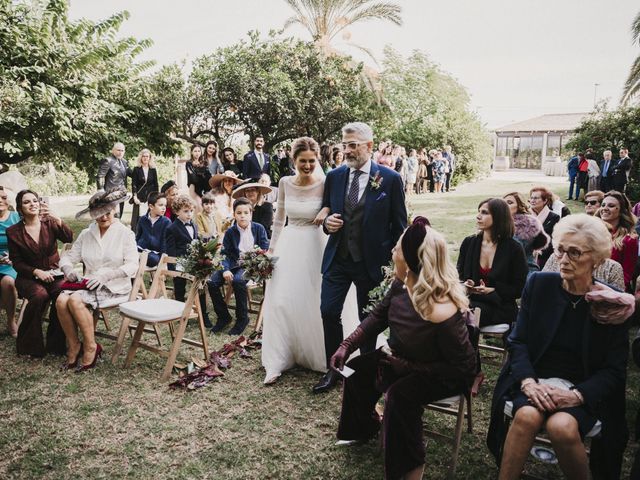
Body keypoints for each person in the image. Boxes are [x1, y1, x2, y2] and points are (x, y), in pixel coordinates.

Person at [487, 214, 631, 480]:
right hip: (535, 377)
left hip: (582, 386)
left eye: (575, 253)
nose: (563, 260)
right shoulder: (540, 284)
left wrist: (576, 395)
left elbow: (614, 369)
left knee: (562, 426)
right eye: (560, 250)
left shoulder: (611, 303)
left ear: (596, 258)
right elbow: (518, 341)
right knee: (526, 416)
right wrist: (529, 382)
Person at [331, 219, 476, 480]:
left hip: (440, 375)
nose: (392, 253)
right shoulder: (402, 284)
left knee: (399, 397)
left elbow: (463, 369)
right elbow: (377, 318)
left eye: (396, 249)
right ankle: (365, 427)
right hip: (401, 359)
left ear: (409, 260)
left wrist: (409, 368)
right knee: (356, 370)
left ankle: (409, 468)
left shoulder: (443, 309)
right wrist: (346, 345)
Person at [315, 121, 407, 393]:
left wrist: (393, 264)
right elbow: (325, 211)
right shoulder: (334, 176)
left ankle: (365, 373)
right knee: (328, 312)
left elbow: (400, 226)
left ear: (369, 146)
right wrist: (326, 223)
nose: (347, 151)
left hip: (372, 263)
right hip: (338, 259)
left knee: (369, 320)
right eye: (344, 145)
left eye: (353, 145)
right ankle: (333, 370)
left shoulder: (390, 179)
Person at [261, 137, 361, 385]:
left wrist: (325, 211)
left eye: (311, 161)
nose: (307, 166)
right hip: (289, 244)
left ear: (318, 160)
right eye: (302, 161)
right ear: (293, 160)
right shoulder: (284, 182)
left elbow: (333, 207)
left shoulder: (327, 182)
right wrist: (270, 253)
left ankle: (324, 356)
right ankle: (279, 359)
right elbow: (278, 219)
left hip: (317, 245)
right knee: (283, 300)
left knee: (316, 299)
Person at [57, 188, 138, 371]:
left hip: (115, 287)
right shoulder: (87, 234)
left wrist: (107, 275)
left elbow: (133, 265)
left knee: (75, 300)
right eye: (98, 215)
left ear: (115, 210)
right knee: (61, 300)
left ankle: (91, 346)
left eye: (107, 213)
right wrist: (68, 269)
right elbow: (68, 257)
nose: (103, 218)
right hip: (89, 284)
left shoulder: (125, 233)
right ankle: (75, 345)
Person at [7, 190, 73, 357]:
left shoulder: (49, 223)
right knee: (39, 295)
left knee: (61, 295)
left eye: (35, 200)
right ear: (20, 209)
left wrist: (58, 219)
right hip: (28, 277)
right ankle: (29, 346)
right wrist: (36, 272)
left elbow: (68, 238)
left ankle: (56, 345)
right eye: (27, 202)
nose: (33, 204)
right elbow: (17, 262)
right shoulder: (13, 232)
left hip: (54, 273)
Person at [457, 198, 528, 327]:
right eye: (479, 212)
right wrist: (467, 284)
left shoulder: (514, 248)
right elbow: (459, 276)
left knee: (460, 313)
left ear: (498, 216)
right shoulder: (469, 243)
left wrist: (493, 290)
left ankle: (466, 346)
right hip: (470, 301)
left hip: (499, 305)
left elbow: (519, 287)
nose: (478, 216)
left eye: (484, 213)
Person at [208, 197, 270, 335]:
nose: (242, 216)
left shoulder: (259, 229)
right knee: (211, 282)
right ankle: (224, 317)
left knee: (238, 280)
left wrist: (257, 261)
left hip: (251, 264)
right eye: (239, 213)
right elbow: (225, 253)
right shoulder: (230, 232)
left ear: (251, 214)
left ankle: (242, 318)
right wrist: (225, 269)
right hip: (232, 263)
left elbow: (265, 250)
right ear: (234, 214)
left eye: (246, 212)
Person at [164, 194, 212, 328]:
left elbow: (196, 243)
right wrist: (173, 269)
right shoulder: (171, 228)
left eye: (191, 211)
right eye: (185, 211)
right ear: (176, 211)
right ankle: (180, 314)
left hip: (194, 261)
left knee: (201, 285)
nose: (189, 214)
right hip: (180, 262)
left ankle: (203, 314)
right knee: (179, 289)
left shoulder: (194, 226)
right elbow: (171, 250)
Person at [596, 190, 638, 291]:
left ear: (621, 211)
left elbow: (626, 276)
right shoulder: (592, 232)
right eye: (603, 205)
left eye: (610, 206)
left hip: (612, 290)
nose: (605, 208)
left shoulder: (629, 240)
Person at [503, 192, 548, 273]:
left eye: (510, 203)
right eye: (503, 203)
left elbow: (513, 251)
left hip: (525, 271)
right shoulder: (497, 223)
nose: (505, 205)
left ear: (519, 206)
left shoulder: (526, 224)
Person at [0, 187, 20, 337]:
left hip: (12, 264)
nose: (1, 201)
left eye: (4, 197)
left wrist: (13, 257)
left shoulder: (16, 217)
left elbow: (27, 243)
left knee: (8, 282)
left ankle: (11, 320)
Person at [136, 192, 171, 268]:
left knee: (153, 259)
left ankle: (138, 258)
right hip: (141, 249)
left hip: (155, 253)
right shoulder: (142, 219)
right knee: (126, 253)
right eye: (160, 205)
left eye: (165, 205)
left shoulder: (166, 222)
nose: (164, 208)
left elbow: (165, 242)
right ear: (151, 206)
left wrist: (163, 256)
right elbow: (138, 236)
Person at [529, 186, 560, 268]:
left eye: (536, 198)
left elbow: (554, 239)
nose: (532, 201)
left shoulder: (554, 217)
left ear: (545, 200)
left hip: (544, 256)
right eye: (531, 198)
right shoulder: (526, 216)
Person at [97, 142, 130, 218]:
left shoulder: (124, 162)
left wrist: (143, 167)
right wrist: (101, 190)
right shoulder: (108, 161)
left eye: (122, 150)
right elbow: (100, 176)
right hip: (110, 194)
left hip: (121, 193)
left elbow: (132, 173)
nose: (120, 152)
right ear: (113, 150)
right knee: (110, 216)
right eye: (118, 150)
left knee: (119, 216)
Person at [130, 148, 159, 234]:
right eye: (144, 156)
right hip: (139, 197)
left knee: (150, 216)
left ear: (150, 158)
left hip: (150, 197)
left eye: (147, 156)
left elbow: (155, 184)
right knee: (138, 218)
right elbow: (134, 184)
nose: (145, 158)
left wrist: (156, 196)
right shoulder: (136, 169)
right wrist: (135, 196)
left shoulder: (153, 170)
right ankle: (137, 234)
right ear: (141, 158)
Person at [185, 144, 212, 211]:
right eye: (195, 151)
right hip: (194, 187)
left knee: (207, 207)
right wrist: (200, 171)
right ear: (191, 152)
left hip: (205, 187)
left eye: (199, 151)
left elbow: (208, 176)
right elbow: (194, 179)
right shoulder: (189, 163)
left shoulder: (205, 162)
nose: (197, 153)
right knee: (198, 206)